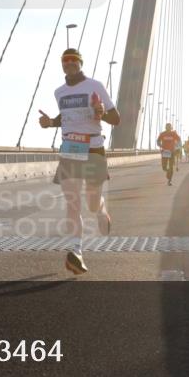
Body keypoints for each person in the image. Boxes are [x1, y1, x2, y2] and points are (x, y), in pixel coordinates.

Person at [38, 48, 120, 275]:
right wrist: (49, 123)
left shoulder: (95, 85)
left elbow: (116, 118)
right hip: (70, 149)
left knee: (92, 202)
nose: (69, 63)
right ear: (62, 64)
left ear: (81, 63)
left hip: (93, 148)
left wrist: (100, 112)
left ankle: (102, 210)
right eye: (65, 60)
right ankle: (76, 252)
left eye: (74, 60)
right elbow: (65, 117)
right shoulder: (59, 92)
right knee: (73, 203)